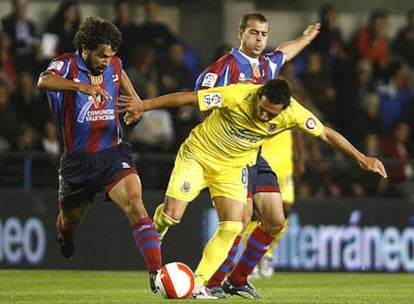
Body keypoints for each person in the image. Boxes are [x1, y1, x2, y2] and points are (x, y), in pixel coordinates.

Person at [118, 78, 387, 299]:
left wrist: (361, 157)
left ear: (284, 108)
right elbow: (188, 97)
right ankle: (160, 226)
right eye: (263, 108)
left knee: (233, 225)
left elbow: (326, 133)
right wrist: (145, 105)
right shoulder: (237, 95)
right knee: (173, 215)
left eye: (271, 113)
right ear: (259, 95)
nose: (264, 115)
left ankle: (199, 282)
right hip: (198, 156)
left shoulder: (293, 112)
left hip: (232, 168)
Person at [193, 12, 317, 297]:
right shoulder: (225, 68)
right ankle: (212, 282)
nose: (259, 39)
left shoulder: (267, 65)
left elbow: (285, 52)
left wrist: (306, 38)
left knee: (276, 219)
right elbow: (200, 99)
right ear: (241, 33)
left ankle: (239, 279)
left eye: (263, 34)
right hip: (233, 152)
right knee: (239, 218)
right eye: (253, 33)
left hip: (257, 153)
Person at [36, 16, 162, 293]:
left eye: (110, 56)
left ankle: (157, 273)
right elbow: (44, 81)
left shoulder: (114, 64)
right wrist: (81, 86)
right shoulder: (67, 64)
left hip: (112, 154)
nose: (106, 61)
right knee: (70, 221)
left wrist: (136, 103)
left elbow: (120, 73)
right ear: (85, 48)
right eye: (101, 55)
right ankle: (65, 237)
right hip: (77, 163)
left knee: (135, 203)